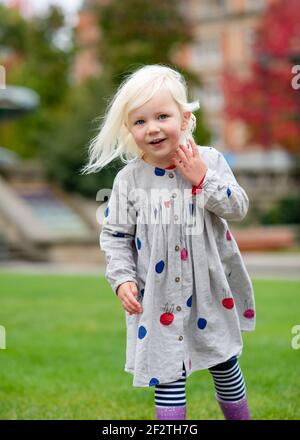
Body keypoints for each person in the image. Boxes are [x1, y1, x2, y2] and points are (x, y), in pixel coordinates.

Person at [81, 64, 256, 420]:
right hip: (158, 294)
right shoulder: (130, 180)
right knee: (167, 373)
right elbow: (115, 236)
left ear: (185, 117)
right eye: (140, 121)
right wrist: (122, 279)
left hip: (209, 290)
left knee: (224, 363)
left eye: (162, 115)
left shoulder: (209, 161)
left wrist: (202, 179)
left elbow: (238, 207)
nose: (153, 128)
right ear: (129, 129)